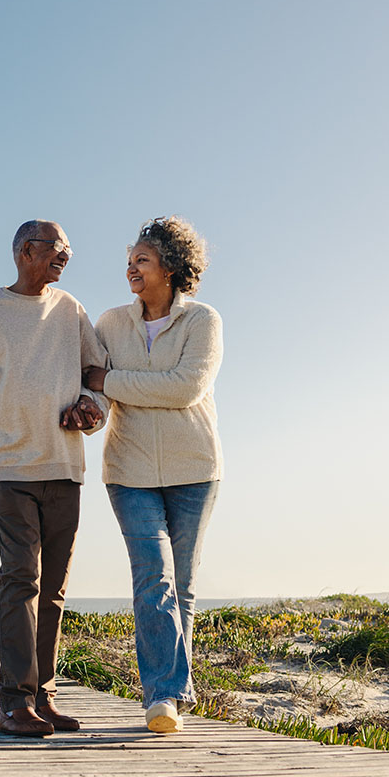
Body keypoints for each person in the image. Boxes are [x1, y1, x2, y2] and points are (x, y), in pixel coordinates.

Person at [0, 219, 108, 737]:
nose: (67, 257)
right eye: (59, 248)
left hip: (63, 466)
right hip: (8, 469)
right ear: (27, 251)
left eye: (69, 250)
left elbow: (97, 374)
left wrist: (90, 406)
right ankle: (12, 703)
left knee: (52, 589)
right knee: (21, 579)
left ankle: (42, 697)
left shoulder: (71, 310)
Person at [83, 216, 222, 735]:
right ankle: (162, 697)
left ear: (170, 266)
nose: (130, 269)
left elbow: (185, 388)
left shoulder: (203, 321)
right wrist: (92, 403)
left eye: (141, 260)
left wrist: (113, 380)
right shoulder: (109, 324)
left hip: (195, 469)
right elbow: (94, 388)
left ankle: (174, 694)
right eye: (129, 261)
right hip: (129, 469)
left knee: (181, 585)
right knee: (153, 578)